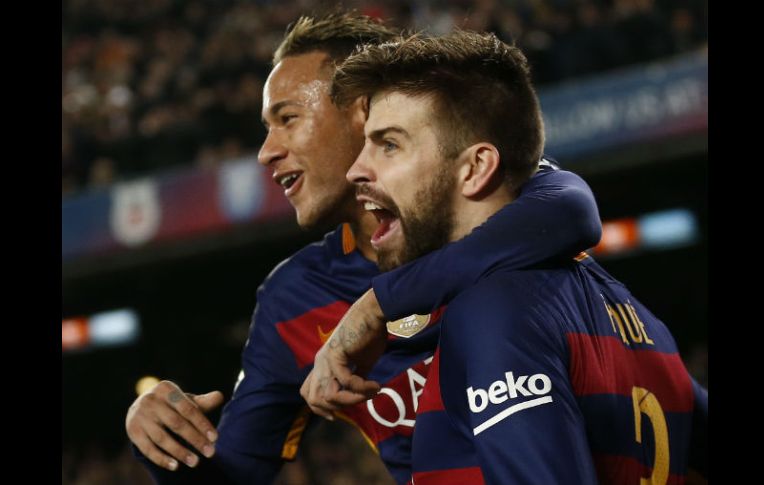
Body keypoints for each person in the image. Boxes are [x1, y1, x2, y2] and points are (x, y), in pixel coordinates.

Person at [125, 14, 603, 485]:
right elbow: (234, 474)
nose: (266, 151)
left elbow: (572, 211)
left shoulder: (478, 196)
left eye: (288, 119)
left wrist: (376, 305)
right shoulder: (295, 298)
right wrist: (165, 443)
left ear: (362, 109)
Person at [302, 30, 708, 484]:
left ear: (476, 168)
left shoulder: (494, 310)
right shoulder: (636, 317)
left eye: (390, 144)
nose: (356, 170)